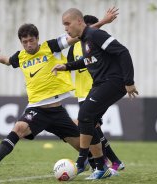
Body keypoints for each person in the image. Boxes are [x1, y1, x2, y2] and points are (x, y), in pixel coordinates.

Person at [0, 8, 118, 179]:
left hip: (57, 111)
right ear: (21, 42)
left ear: (37, 39)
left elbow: (78, 35)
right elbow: (8, 61)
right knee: (19, 127)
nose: (29, 45)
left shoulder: (50, 46)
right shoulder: (21, 56)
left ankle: (100, 166)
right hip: (37, 108)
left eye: (31, 40)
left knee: (81, 143)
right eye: (24, 42)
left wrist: (102, 22)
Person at [52, 8, 138, 180]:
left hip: (113, 81)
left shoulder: (95, 34)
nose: (66, 29)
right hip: (100, 84)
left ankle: (82, 161)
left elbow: (123, 52)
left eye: (67, 24)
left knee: (84, 115)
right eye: (64, 25)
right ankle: (100, 167)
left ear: (79, 21)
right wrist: (67, 66)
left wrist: (129, 81)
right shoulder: (84, 41)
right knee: (89, 121)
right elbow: (87, 60)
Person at [67, 14, 125, 171]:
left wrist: (103, 22)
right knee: (92, 127)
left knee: (91, 126)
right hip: (82, 92)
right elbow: (71, 66)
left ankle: (96, 162)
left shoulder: (96, 42)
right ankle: (108, 162)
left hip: (96, 89)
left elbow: (119, 54)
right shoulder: (75, 46)